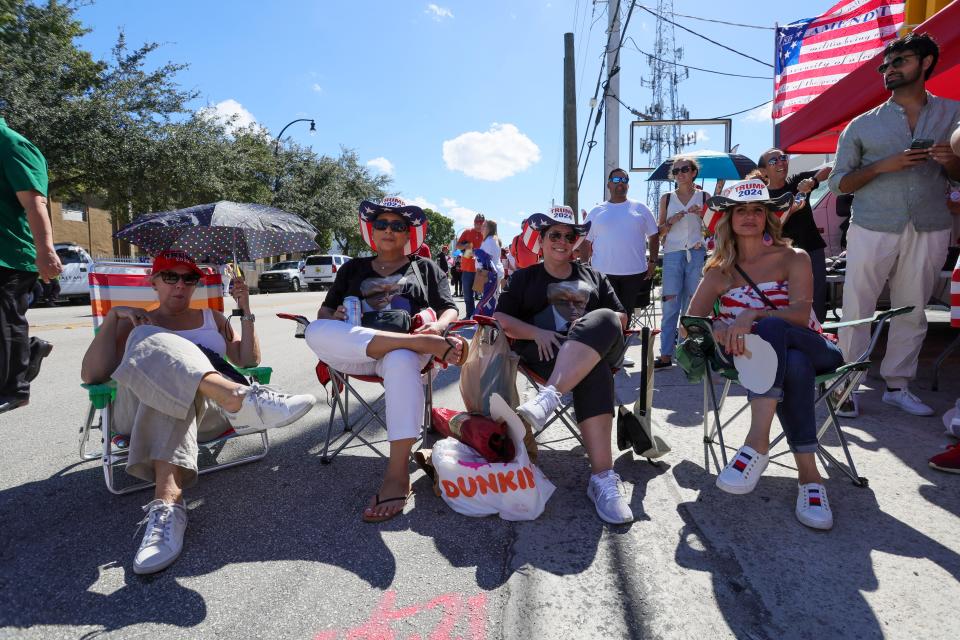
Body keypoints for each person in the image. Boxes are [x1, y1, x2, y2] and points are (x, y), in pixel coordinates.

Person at [79, 250, 316, 574]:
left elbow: (248, 361)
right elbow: (92, 376)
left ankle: (169, 507)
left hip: (208, 418)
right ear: (154, 282)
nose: (180, 285)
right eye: (170, 277)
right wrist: (113, 318)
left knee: (175, 393)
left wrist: (244, 308)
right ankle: (237, 396)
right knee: (149, 342)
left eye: (189, 278)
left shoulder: (213, 319)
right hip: (134, 416)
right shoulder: (136, 322)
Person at [687, 179, 844, 530]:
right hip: (762, 361)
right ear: (728, 218)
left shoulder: (793, 257)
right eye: (740, 210)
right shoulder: (718, 272)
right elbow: (689, 325)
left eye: (758, 209)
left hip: (814, 346)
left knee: (774, 333)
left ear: (769, 216)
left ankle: (756, 442)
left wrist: (749, 315)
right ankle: (810, 478)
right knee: (794, 367)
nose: (749, 216)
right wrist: (717, 327)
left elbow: (802, 317)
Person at [305, 196, 468, 524]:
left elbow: (450, 306)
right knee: (314, 330)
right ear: (371, 231)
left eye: (398, 225)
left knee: (401, 359)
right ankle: (417, 343)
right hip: (358, 350)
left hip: (405, 356)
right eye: (382, 224)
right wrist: (334, 315)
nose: (389, 230)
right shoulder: (352, 268)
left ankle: (396, 476)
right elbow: (324, 312)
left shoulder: (425, 268)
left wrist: (437, 326)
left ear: (409, 234)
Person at [828, 32, 960, 418]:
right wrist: (882, 166)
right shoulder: (862, 125)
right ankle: (845, 385)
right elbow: (838, 183)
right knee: (857, 305)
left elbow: (959, 175)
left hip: (931, 223)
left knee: (912, 308)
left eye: (899, 61)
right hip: (871, 223)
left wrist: (949, 162)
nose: (888, 70)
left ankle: (898, 386)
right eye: (885, 65)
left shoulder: (954, 115)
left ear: (926, 63)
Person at [494, 206, 634, 524]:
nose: (561, 240)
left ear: (575, 241)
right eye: (554, 234)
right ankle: (602, 478)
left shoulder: (594, 277)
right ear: (541, 240)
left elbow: (621, 318)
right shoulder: (524, 278)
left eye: (568, 235)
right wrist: (536, 332)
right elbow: (500, 319)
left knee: (606, 317)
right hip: (546, 357)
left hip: (595, 348)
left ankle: (550, 396)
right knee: (594, 372)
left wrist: (585, 325)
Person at [1, 117, 63, 414]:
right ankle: (32, 350)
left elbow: (34, 203)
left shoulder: (11, 144)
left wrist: (45, 250)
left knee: (6, 320)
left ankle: (16, 390)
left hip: (9, 254)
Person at [581, 169, 659, 365]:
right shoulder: (597, 211)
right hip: (603, 274)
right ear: (608, 184)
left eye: (624, 180)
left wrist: (653, 262)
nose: (620, 183)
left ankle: (618, 354)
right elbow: (585, 241)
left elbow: (654, 235)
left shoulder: (640, 208)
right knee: (605, 315)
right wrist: (584, 266)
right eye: (616, 179)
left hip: (634, 273)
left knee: (626, 314)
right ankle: (603, 352)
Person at [758, 149, 832, 322]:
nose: (781, 162)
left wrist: (812, 181)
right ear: (763, 171)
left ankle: (818, 339)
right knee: (782, 299)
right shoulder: (761, 198)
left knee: (816, 296)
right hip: (779, 257)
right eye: (773, 160)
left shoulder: (797, 181)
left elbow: (830, 169)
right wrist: (789, 212)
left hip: (812, 249)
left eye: (783, 158)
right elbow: (766, 235)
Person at [656, 156, 707, 369]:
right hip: (672, 255)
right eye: (676, 171)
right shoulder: (666, 198)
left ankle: (688, 353)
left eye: (684, 169)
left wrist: (703, 214)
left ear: (693, 172)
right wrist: (670, 221)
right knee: (670, 306)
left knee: (692, 307)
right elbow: (659, 232)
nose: (680, 174)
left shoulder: (704, 197)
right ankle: (666, 354)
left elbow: (714, 228)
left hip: (696, 254)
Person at [457, 213, 485, 318]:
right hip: (467, 269)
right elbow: (458, 246)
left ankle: (479, 314)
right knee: (468, 296)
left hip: (481, 270)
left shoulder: (486, 234)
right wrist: (466, 246)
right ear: (474, 222)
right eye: (477, 222)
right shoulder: (467, 232)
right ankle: (470, 315)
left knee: (483, 295)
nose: (479, 224)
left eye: (481, 222)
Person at [475, 219, 504, 316]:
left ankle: (487, 322)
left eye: (484, 226)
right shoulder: (492, 240)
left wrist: (476, 255)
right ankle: (489, 321)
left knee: (489, 300)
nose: (482, 228)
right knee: (492, 299)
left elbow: (488, 260)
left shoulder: (489, 241)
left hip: (490, 275)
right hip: (493, 273)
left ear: (489, 229)